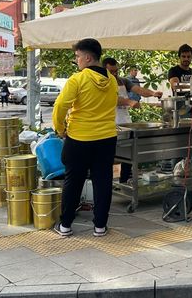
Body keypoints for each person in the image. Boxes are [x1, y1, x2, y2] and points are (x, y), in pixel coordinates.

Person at [53, 38, 118, 237]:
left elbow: (60, 106)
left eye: (78, 57)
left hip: (79, 139)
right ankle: (100, 226)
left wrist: (60, 128)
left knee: (73, 181)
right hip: (106, 138)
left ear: (88, 57)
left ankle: (65, 226)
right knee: (103, 181)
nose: (77, 60)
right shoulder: (112, 80)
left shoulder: (78, 79)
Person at [102, 58, 163, 184]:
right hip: (109, 123)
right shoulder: (102, 82)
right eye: (111, 71)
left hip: (125, 121)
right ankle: (105, 183)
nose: (114, 74)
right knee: (109, 156)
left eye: (116, 71)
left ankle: (124, 180)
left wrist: (153, 93)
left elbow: (139, 90)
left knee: (127, 154)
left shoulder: (123, 80)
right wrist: (129, 101)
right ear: (104, 70)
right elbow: (112, 98)